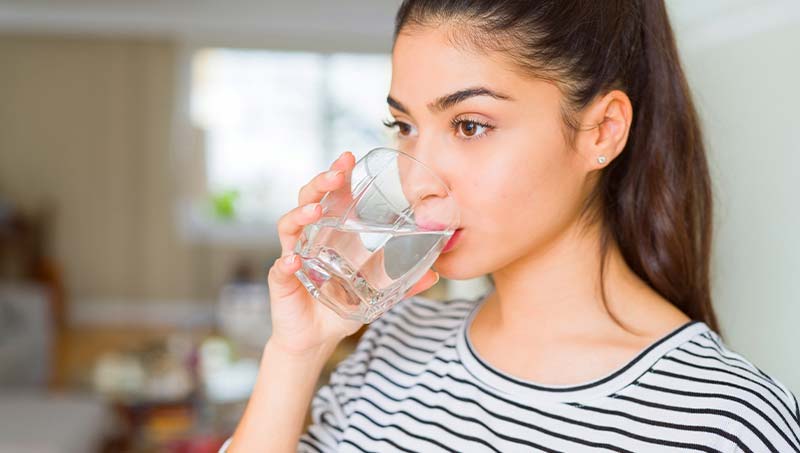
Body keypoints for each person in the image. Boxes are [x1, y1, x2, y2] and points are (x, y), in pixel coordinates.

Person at [221, 1, 800, 451]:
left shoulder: (723, 422)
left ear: (601, 132)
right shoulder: (397, 342)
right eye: (403, 126)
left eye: (470, 126)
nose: (418, 180)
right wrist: (296, 352)